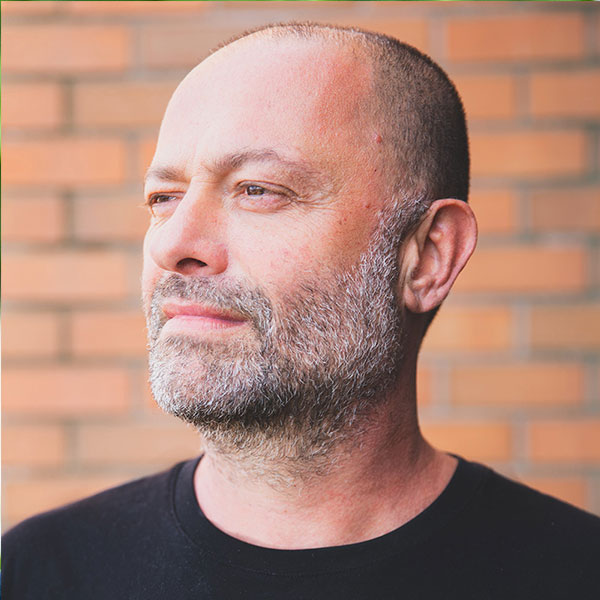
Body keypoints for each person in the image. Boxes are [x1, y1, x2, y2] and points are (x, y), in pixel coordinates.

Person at [3, 22, 599, 600]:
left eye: (258, 189)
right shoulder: (36, 573)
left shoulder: (574, 575)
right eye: (164, 198)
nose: (172, 244)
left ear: (427, 257)